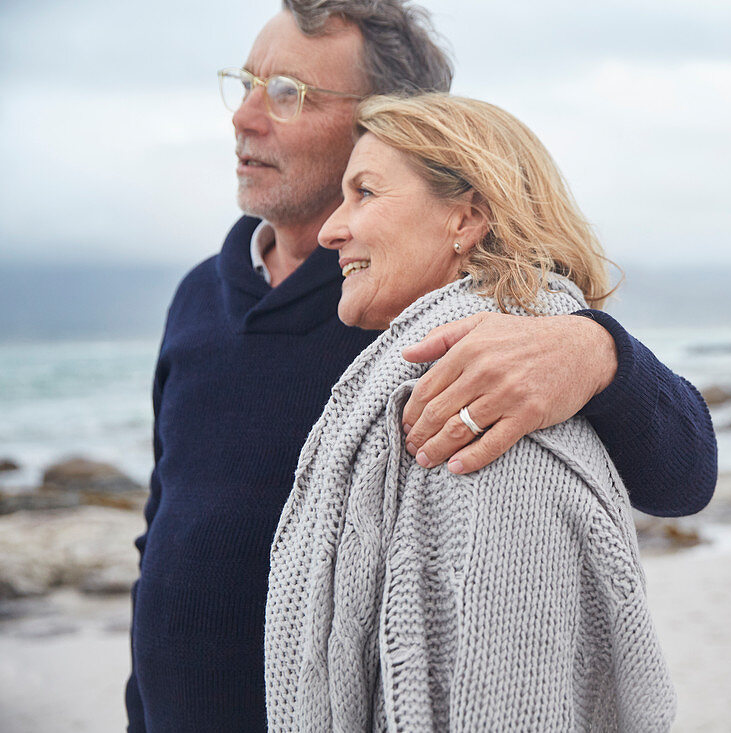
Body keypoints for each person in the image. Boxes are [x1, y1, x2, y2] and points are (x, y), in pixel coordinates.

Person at [127, 1, 715, 730]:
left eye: (287, 92)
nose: (244, 117)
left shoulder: (437, 318)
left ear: (389, 121)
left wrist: (596, 349)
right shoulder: (196, 298)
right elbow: (160, 539)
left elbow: (685, 473)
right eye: (245, 83)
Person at [265, 91, 675, 731]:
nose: (329, 230)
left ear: (465, 220)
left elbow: (509, 705)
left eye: (365, 193)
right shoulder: (420, 375)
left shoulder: (487, 420)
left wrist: (599, 351)